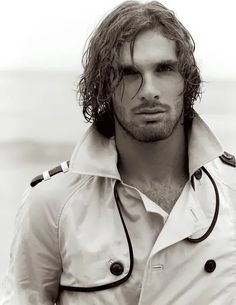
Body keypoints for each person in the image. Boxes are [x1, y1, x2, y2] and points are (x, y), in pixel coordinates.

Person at [1, 1, 236, 304]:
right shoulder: (52, 206)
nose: (148, 89)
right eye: (128, 73)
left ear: (186, 79)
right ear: (103, 87)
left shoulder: (231, 191)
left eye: (164, 69)